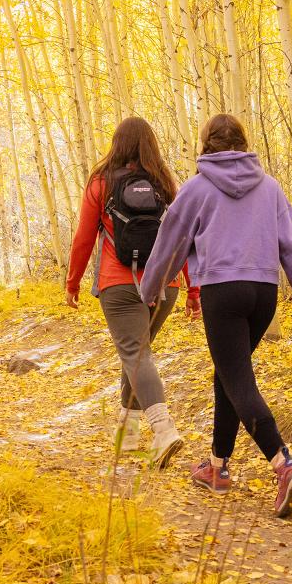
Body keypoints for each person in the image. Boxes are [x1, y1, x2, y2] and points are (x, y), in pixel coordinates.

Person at [139, 113, 292, 518]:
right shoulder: (270, 188)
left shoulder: (197, 188)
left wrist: (150, 290)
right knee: (228, 373)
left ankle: (284, 463)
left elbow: (169, 240)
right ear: (243, 143)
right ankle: (217, 466)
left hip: (223, 291)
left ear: (206, 144)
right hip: (263, 293)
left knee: (239, 381)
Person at [65, 116, 196, 470]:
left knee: (136, 356)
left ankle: (164, 430)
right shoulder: (166, 182)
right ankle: (129, 434)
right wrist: (192, 288)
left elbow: (82, 238)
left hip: (118, 284)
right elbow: (183, 237)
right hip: (164, 286)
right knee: (136, 355)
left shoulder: (101, 182)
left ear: (116, 144)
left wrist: (72, 282)